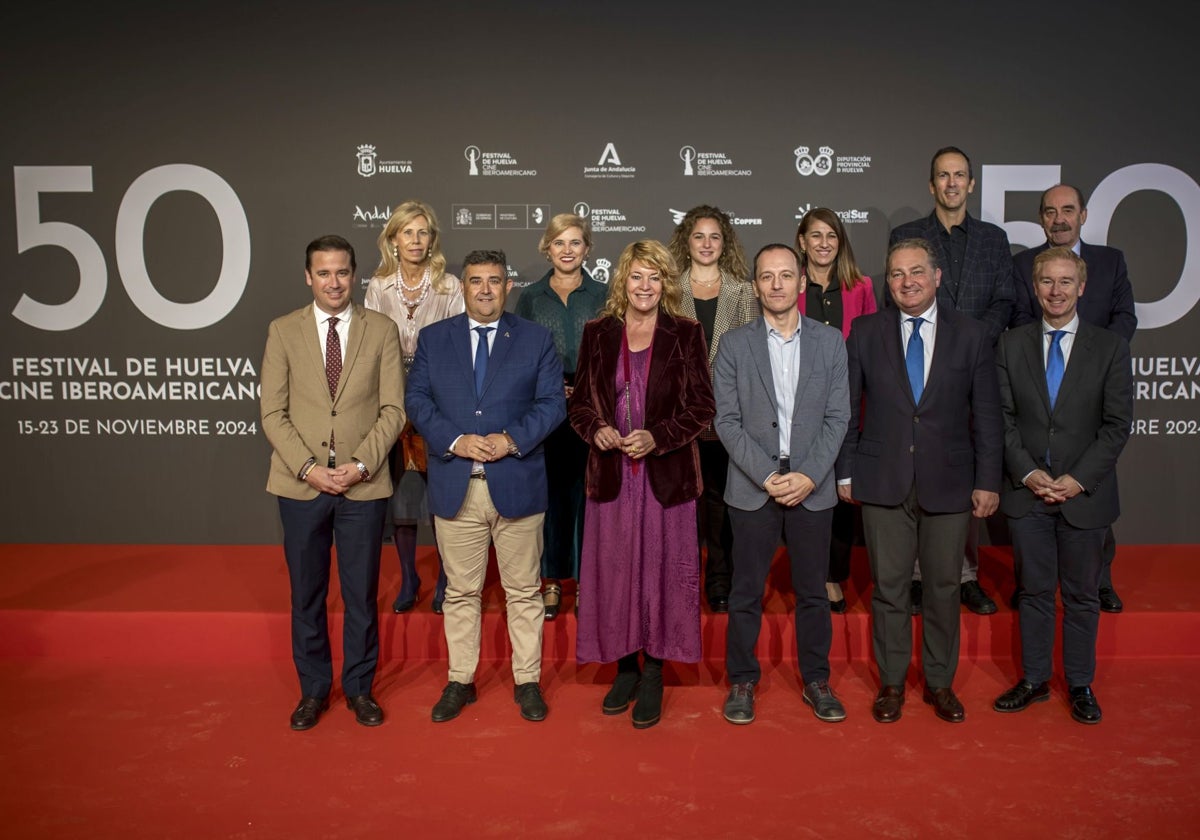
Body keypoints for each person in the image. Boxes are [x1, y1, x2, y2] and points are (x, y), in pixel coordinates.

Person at [837, 238, 1003, 724]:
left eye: (915, 272)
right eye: (895, 274)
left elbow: (988, 416)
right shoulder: (865, 332)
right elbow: (846, 409)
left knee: (944, 587)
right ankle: (891, 683)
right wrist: (845, 470)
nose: (906, 281)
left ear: (937, 277)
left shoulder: (972, 335)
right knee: (888, 589)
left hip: (950, 483)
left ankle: (939, 682)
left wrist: (988, 480)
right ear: (886, 282)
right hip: (881, 477)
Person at [405, 249, 566, 724]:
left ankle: (527, 681)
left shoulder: (535, 339)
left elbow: (553, 403)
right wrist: (456, 440)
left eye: (494, 281)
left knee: (523, 592)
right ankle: (460, 680)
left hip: (517, 482)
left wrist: (509, 439)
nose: (485, 290)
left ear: (508, 286)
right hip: (456, 484)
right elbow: (415, 399)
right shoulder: (434, 340)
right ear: (462, 285)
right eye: (476, 281)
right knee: (460, 593)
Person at [569, 239, 715, 729]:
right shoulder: (597, 332)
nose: (645, 286)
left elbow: (702, 408)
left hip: (665, 479)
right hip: (611, 478)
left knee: (662, 575)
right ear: (622, 281)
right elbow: (580, 405)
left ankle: (654, 671)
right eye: (636, 276)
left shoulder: (686, 333)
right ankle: (625, 667)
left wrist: (658, 437)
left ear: (666, 283)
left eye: (654, 277)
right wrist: (598, 430)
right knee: (615, 574)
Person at [260, 235, 405, 731]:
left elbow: (393, 411)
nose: (334, 282)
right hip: (301, 486)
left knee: (362, 594)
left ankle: (361, 689)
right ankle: (314, 690)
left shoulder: (381, 330)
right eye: (324, 273)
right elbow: (272, 413)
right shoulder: (282, 331)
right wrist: (309, 468)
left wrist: (361, 465)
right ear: (308, 277)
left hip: (362, 486)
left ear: (354, 275)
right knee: (307, 594)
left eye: (342, 272)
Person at [993, 247, 1132, 723]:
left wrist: (1076, 480)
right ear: (1034, 288)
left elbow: (1117, 425)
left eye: (1065, 282)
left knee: (1080, 596)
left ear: (1082, 287)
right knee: (1033, 592)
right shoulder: (1011, 344)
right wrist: (1029, 473)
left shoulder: (1109, 347)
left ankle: (1079, 684)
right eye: (1047, 282)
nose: (1056, 291)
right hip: (1027, 492)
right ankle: (1033, 679)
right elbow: (1002, 420)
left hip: (1084, 497)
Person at [714, 244, 850, 725]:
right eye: (767, 276)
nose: (777, 284)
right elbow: (726, 422)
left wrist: (809, 475)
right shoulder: (733, 345)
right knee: (746, 591)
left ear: (800, 282)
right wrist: (769, 476)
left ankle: (817, 680)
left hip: (813, 486)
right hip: (754, 486)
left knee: (814, 592)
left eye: (786, 275)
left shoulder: (831, 342)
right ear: (755, 285)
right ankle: (742, 681)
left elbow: (839, 417)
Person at [888, 146, 1015, 617]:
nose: (952, 183)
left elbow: (1007, 299)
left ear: (971, 184)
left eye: (960, 175)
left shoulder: (993, 239)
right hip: (920, 368)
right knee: (920, 464)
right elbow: (897, 295)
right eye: (943, 175)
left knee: (965, 468)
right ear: (931, 185)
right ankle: (920, 577)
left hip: (974, 365)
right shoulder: (907, 235)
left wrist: (970, 338)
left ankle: (965, 577)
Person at [1010, 184, 1137, 613]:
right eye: (1050, 211)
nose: (1059, 218)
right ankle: (1032, 581)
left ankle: (1099, 581)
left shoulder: (1110, 261)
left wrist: (1095, 360)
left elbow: (1125, 316)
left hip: (1092, 390)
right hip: (1041, 385)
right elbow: (1021, 323)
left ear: (1083, 214)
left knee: (1091, 495)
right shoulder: (1023, 264)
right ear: (1041, 218)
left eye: (1068, 210)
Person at [364, 200, 463, 615]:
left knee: (443, 496)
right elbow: (369, 345)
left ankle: (445, 579)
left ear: (432, 239)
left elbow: (459, 343)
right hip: (390, 399)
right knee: (402, 497)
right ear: (393, 238)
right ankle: (409, 578)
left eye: (423, 232)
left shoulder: (449, 285)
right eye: (407, 232)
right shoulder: (378, 285)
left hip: (438, 400)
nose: (416, 240)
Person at [514, 213, 607, 620]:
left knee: (591, 498)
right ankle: (551, 580)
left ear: (587, 248)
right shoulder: (530, 297)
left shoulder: (604, 294)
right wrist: (552, 390)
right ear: (546, 247)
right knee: (551, 499)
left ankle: (589, 581)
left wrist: (586, 390)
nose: (567, 250)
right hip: (546, 408)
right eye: (559, 242)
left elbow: (613, 351)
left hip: (595, 407)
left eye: (575, 242)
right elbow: (520, 357)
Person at [667, 205, 758, 614]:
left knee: (722, 501)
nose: (706, 244)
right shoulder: (669, 289)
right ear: (687, 242)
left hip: (727, 416)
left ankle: (720, 580)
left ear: (725, 243)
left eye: (714, 236)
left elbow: (752, 356)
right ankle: (682, 581)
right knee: (684, 501)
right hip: (679, 415)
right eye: (699, 236)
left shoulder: (741, 291)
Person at [795, 207, 877, 612]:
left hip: (848, 403)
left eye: (831, 235)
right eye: (816, 235)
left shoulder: (859, 286)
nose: (824, 243)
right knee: (804, 491)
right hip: (798, 406)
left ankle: (832, 577)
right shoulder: (789, 285)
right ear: (802, 242)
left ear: (840, 242)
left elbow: (871, 343)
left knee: (841, 492)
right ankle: (806, 574)